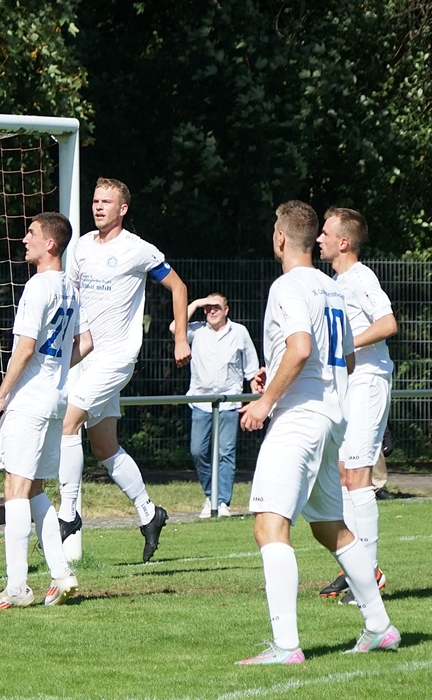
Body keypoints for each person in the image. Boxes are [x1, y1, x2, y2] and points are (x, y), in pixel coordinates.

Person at [237, 200, 399, 665]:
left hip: (299, 419)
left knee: (269, 525)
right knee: (332, 528)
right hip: (331, 418)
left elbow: (301, 347)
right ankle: (380, 627)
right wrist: (282, 375)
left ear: (280, 238)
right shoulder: (332, 288)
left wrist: (267, 401)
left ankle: (286, 646)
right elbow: (344, 357)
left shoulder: (288, 285)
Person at [58, 177, 191, 563]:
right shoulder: (82, 246)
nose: (98, 207)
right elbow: (71, 298)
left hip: (116, 358)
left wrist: (180, 338)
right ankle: (150, 513)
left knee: (68, 423)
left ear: (123, 209)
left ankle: (68, 513)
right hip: (86, 357)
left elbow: (179, 287)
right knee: (105, 447)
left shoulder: (138, 250)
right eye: (95, 201)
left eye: (106, 201)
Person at [0, 212, 92, 609]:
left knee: (15, 489)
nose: (24, 239)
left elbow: (26, 348)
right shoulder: (70, 289)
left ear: (50, 243)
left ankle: (16, 588)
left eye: (31, 233)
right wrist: (57, 370)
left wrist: (1, 396)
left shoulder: (38, 286)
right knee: (34, 491)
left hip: (29, 401)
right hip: (56, 399)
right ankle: (61, 574)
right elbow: (87, 343)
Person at [316, 207, 396, 605]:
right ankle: (358, 570)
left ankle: (370, 573)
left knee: (358, 476)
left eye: (325, 233)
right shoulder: (336, 282)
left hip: (369, 381)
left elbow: (387, 323)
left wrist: (347, 345)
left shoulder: (361, 278)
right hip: (351, 384)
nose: (319, 239)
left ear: (343, 242)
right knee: (345, 474)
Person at [169, 294, 259, 518]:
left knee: (225, 453)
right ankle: (211, 495)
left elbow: (251, 368)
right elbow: (173, 327)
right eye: (207, 308)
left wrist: (256, 400)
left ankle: (222, 501)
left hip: (229, 402)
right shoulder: (197, 330)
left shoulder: (240, 332)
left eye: (216, 307)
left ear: (226, 310)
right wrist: (196, 303)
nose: (212, 311)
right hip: (201, 402)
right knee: (198, 451)